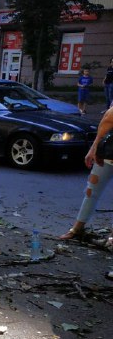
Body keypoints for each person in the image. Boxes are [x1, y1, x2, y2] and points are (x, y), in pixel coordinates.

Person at [59, 106, 113, 249]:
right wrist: (94, 149)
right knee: (91, 191)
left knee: (92, 191)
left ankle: (109, 238)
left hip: (107, 153)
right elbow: (107, 120)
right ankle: (77, 229)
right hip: (108, 153)